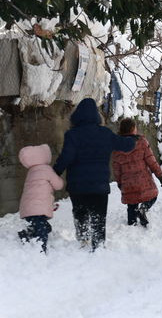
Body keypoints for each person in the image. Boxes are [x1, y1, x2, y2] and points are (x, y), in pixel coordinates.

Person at [54, 98, 135, 251]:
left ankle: (83, 240)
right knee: (98, 218)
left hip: (77, 187)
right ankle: (98, 246)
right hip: (99, 187)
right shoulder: (105, 133)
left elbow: (66, 158)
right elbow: (126, 145)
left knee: (80, 214)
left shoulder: (72, 135)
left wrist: (54, 173)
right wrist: (132, 139)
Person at [111, 118, 162, 227]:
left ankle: (131, 224)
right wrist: (159, 175)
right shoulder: (141, 142)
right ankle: (143, 208)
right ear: (132, 129)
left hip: (128, 182)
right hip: (143, 180)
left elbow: (116, 168)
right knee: (153, 195)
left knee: (131, 203)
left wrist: (119, 182)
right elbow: (151, 160)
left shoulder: (117, 146)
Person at [17, 144, 64, 253]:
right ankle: (41, 250)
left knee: (45, 227)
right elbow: (58, 185)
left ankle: (26, 235)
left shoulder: (31, 171)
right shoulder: (46, 170)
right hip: (37, 208)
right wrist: (59, 179)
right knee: (42, 230)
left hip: (29, 208)